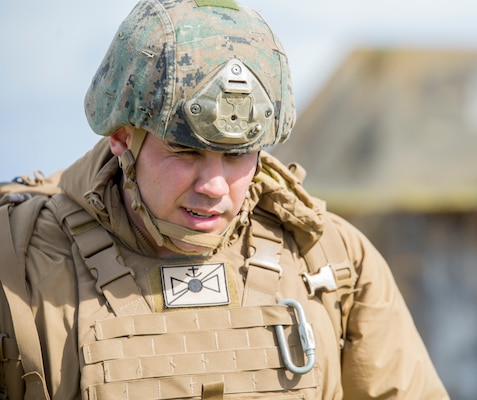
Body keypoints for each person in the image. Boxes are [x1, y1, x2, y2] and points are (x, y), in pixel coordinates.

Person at [0, 0, 450, 399]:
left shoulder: (332, 259)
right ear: (122, 137)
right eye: (186, 151)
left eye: (237, 155)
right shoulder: (17, 262)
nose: (214, 185)